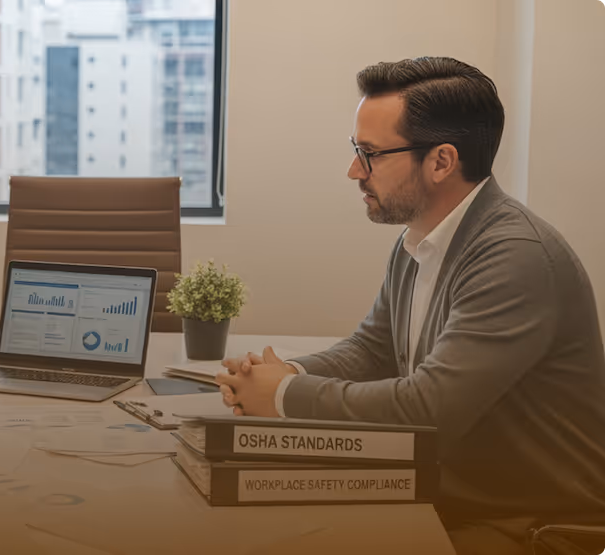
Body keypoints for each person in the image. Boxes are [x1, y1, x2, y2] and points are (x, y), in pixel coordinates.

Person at [214, 57, 605, 554]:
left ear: (441, 161)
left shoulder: (516, 257)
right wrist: (280, 372)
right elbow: (372, 350)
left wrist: (286, 395)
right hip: (455, 498)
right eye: (356, 150)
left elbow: (427, 412)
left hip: (533, 528)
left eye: (370, 154)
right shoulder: (421, 238)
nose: (354, 170)